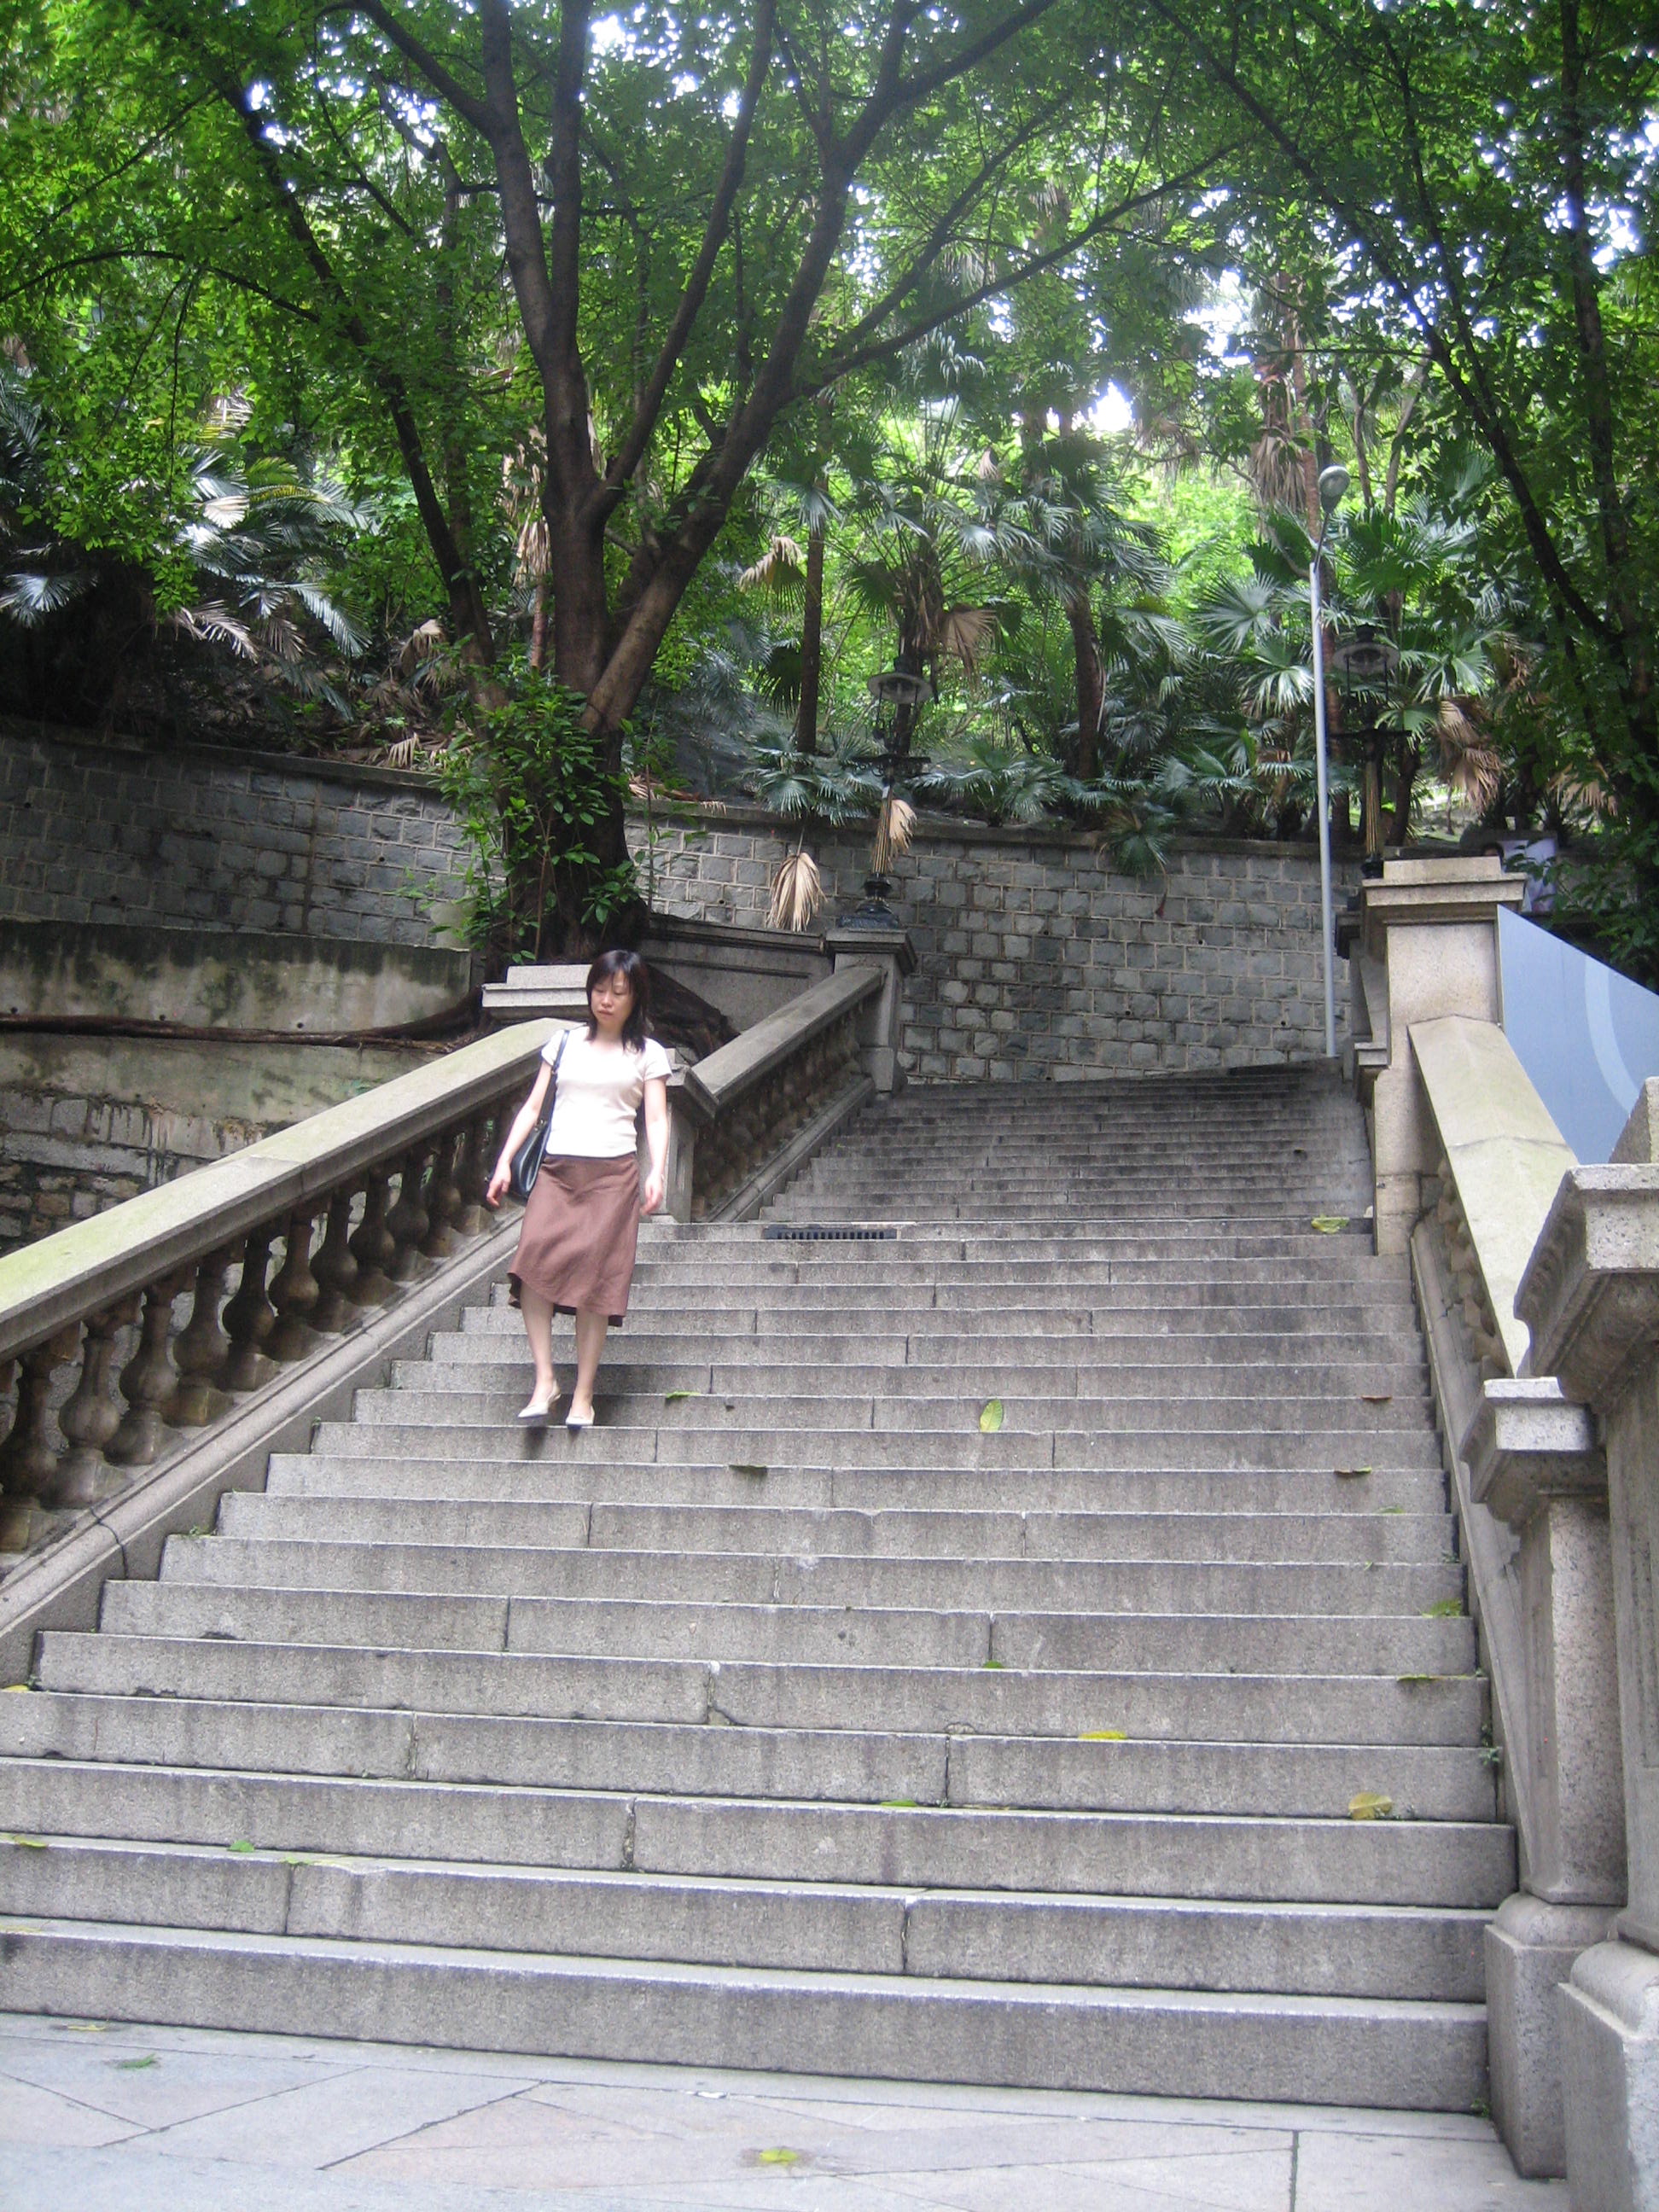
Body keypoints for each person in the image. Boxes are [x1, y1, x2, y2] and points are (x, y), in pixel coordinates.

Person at [486, 950, 670, 1429]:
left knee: (595, 1284)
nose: (606, 1000)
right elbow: (532, 1108)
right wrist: (504, 1161)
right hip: (557, 1170)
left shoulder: (648, 1054)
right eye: (599, 989)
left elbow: (655, 1118)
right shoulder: (563, 1043)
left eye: (618, 992)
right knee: (532, 1264)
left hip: (613, 1177)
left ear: (635, 998)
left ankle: (583, 1396)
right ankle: (545, 1381)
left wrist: (657, 1171)